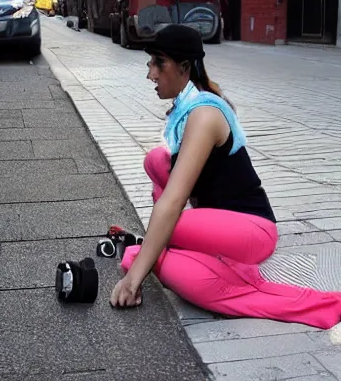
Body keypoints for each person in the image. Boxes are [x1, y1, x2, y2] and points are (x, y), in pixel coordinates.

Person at [109, 24, 341, 330]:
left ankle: (239, 282)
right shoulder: (187, 108)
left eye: (158, 63)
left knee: (157, 238)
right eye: (150, 63)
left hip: (252, 230)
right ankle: (165, 251)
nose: (151, 74)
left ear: (184, 67)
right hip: (217, 224)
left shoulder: (204, 114)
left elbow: (175, 200)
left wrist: (133, 279)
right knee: (156, 163)